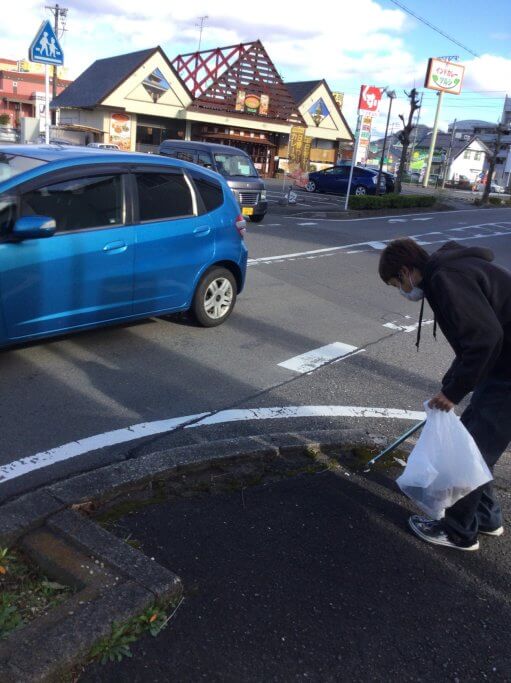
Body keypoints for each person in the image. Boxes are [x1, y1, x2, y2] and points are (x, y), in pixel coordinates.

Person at [378, 238, 511, 551]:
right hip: (503, 367)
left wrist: (452, 392)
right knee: (474, 441)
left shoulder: (445, 279)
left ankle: (457, 531)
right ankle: (486, 517)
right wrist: (450, 382)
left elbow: (485, 339)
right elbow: (474, 341)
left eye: (397, 282)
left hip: (507, 372)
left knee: (471, 451)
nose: (401, 289)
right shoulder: (449, 270)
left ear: (407, 270)